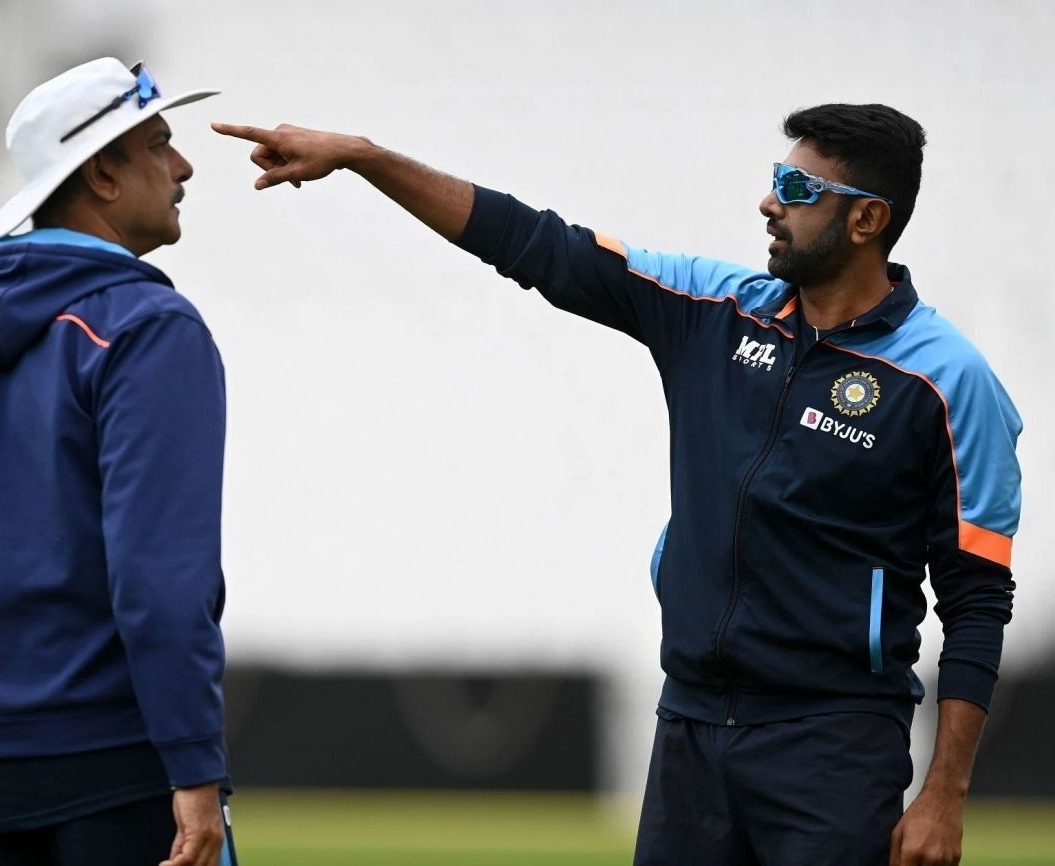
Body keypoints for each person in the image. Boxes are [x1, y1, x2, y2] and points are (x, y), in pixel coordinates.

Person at [212, 105, 1020, 866]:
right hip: (690, 730)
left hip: (831, 745)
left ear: (866, 219)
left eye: (798, 189)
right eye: (777, 178)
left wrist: (943, 791)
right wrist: (366, 159)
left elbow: (976, 597)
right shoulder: (715, 309)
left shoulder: (947, 379)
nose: (769, 203)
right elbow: (537, 245)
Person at [0, 58, 236, 866]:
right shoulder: (149, 327)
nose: (182, 166)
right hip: (116, 765)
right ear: (103, 174)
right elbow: (160, 577)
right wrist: (193, 760)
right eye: (159, 143)